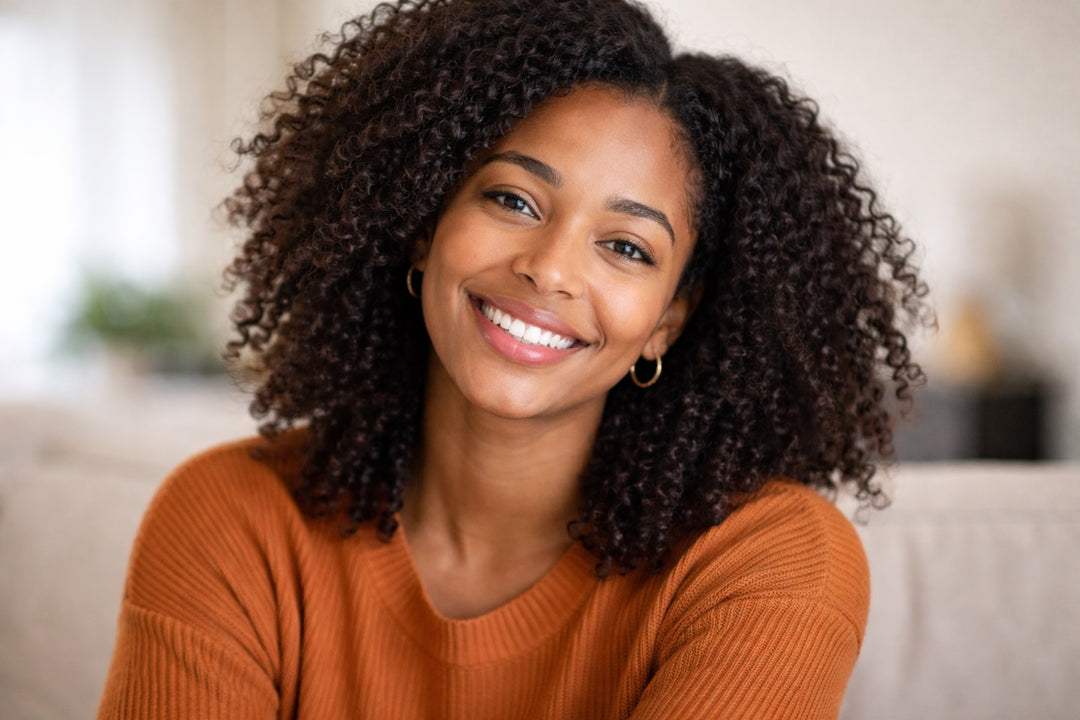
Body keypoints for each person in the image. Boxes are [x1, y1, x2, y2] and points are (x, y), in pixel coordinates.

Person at [97, 0, 928, 717]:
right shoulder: (231, 520)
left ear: (669, 320)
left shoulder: (766, 561)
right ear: (425, 223)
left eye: (628, 248)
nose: (551, 268)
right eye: (512, 199)